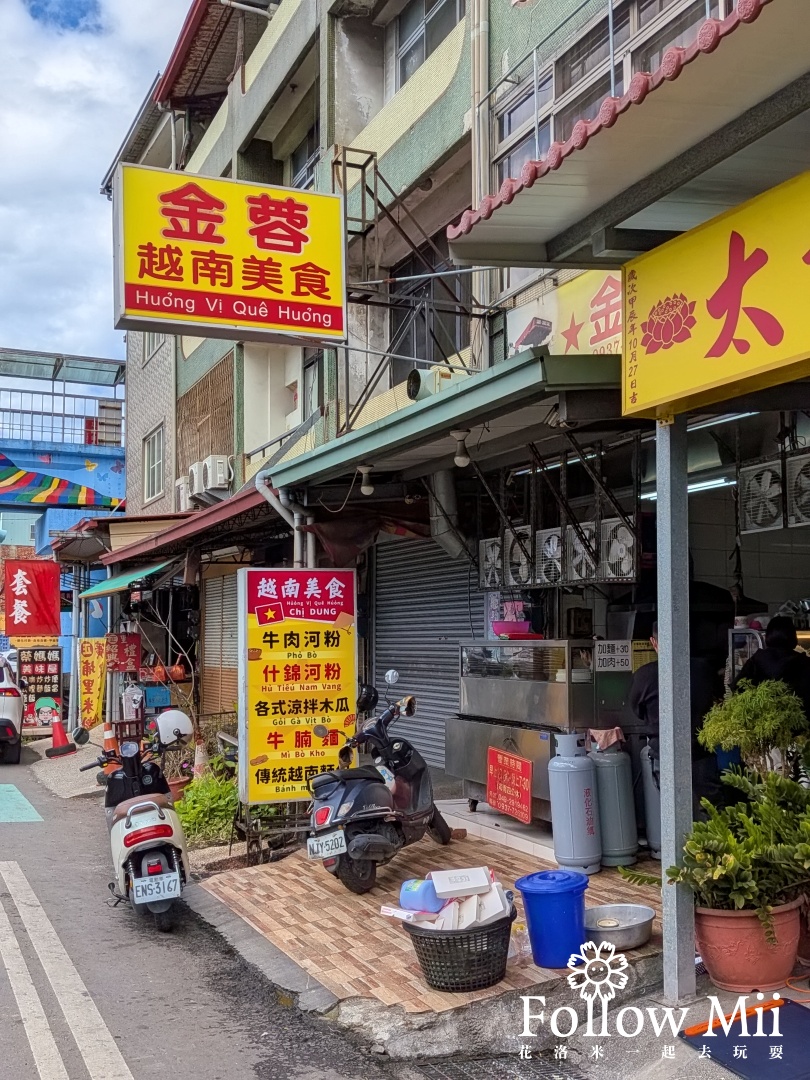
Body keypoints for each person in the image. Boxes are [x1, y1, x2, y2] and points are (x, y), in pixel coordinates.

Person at [629, 622, 723, 819]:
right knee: (713, 813)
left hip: (663, 752)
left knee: (673, 814)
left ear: (653, 642)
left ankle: (680, 840)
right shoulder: (704, 669)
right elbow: (719, 701)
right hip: (701, 752)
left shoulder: (644, 675)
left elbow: (637, 710)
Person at [733, 615, 810, 718]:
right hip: (798, 721)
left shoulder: (757, 659)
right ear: (793, 636)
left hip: (760, 720)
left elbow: (737, 687)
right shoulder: (804, 661)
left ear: (767, 636)